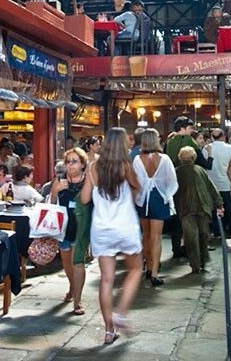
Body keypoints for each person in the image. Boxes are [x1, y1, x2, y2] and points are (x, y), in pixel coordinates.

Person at [80, 127, 144, 345]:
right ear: (123, 144)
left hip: (102, 228)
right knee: (135, 269)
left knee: (106, 279)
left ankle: (109, 330)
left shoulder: (93, 167)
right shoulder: (126, 166)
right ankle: (121, 313)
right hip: (125, 225)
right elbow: (138, 190)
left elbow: (85, 199)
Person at [133, 129, 178, 287]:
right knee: (156, 237)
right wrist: (167, 195)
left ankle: (148, 265)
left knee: (145, 235)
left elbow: (135, 182)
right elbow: (172, 181)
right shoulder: (164, 159)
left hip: (143, 200)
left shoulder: (138, 160)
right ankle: (155, 273)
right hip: (159, 198)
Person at [50, 147, 91, 315]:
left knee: (78, 263)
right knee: (67, 264)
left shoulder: (88, 180)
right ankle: (72, 287)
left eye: (74, 161)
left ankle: (77, 300)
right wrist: (56, 190)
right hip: (63, 229)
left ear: (82, 164)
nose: (70, 165)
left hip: (80, 228)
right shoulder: (60, 179)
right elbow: (51, 204)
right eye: (68, 162)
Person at [165, 116, 213, 259]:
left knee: (177, 220)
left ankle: (176, 249)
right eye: (190, 128)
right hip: (191, 185)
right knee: (191, 219)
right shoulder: (190, 141)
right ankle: (192, 250)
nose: (192, 131)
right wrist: (210, 155)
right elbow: (205, 164)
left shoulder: (169, 142)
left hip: (173, 184)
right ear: (183, 128)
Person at [174, 147, 225, 274]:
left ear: (180, 158)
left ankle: (195, 264)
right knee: (204, 234)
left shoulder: (176, 172)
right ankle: (203, 259)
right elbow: (211, 187)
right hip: (203, 206)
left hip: (185, 208)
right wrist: (219, 203)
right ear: (194, 157)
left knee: (190, 237)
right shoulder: (201, 170)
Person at [203, 128, 231, 236]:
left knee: (213, 209)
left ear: (212, 137)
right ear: (223, 136)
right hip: (225, 183)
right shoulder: (230, 148)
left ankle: (217, 230)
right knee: (228, 207)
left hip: (211, 183)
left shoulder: (206, 148)